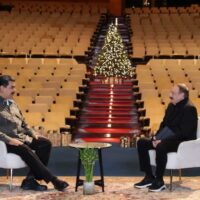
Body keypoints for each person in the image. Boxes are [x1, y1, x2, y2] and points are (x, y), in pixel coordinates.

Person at [0, 75, 69, 191]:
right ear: (1, 88)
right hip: (6, 142)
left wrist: (33, 133)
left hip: (21, 138)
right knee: (25, 149)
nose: (14, 90)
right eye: (11, 87)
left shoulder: (12, 103)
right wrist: (9, 140)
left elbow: (24, 123)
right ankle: (54, 180)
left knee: (45, 143)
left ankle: (30, 180)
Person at [134, 83, 198, 192]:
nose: (170, 95)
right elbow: (164, 124)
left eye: (173, 93)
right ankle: (149, 176)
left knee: (161, 146)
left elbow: (184, 132)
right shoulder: (171, 105)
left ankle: (159, 181)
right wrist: (155, 137)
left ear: (182, 95)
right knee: (142, 142)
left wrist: (161, 140)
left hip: (182, 142)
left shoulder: (190, 109)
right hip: (167, 138)